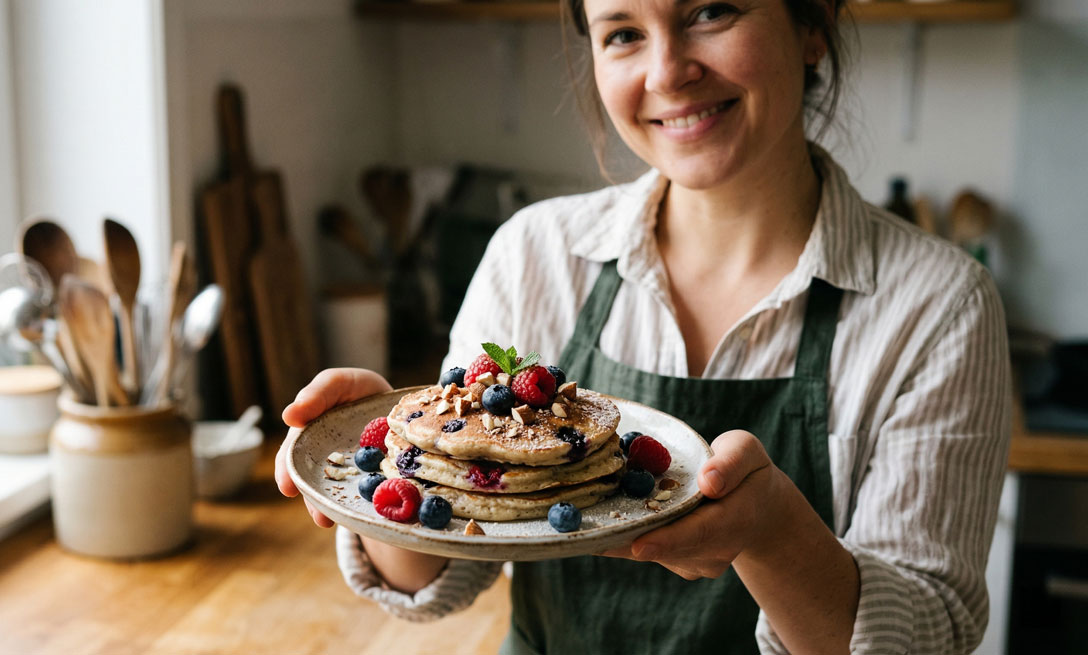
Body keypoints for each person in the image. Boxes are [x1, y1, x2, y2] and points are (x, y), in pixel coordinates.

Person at [275, 0, 1011, 652]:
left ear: (811, 25)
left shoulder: (938, 305)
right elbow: (441, 566)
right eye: (623, 32)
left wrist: (773, 532)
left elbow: (930, 633)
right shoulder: (537, 254)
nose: (667, 71)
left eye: (712, 11)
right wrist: (390, 465)